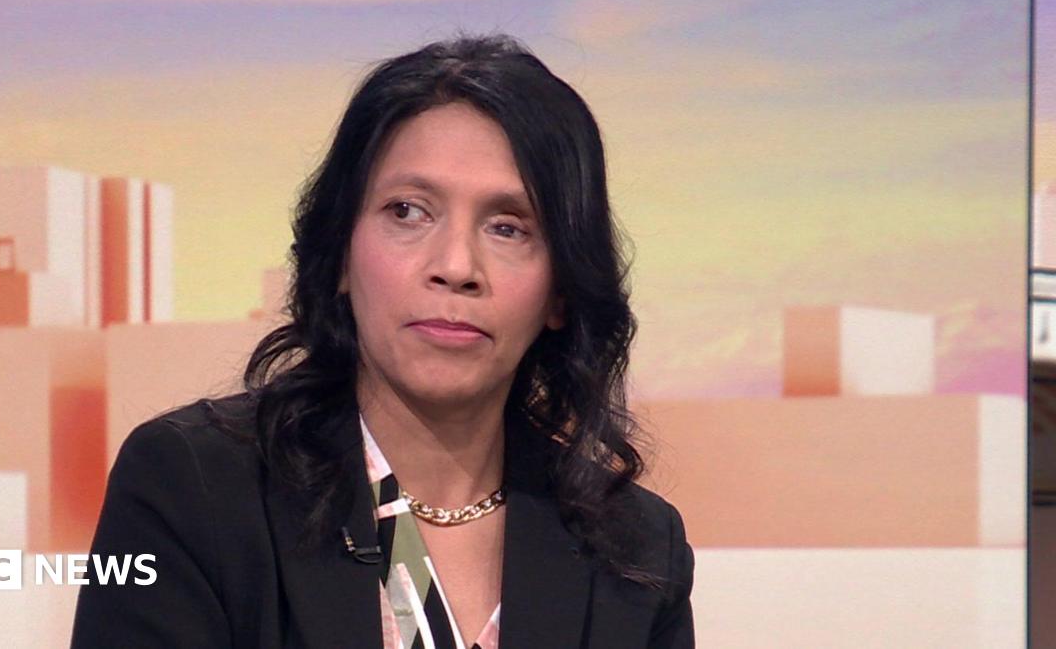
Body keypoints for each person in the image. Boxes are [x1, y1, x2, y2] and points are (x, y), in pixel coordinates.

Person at [70, 32, 694, 649]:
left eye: (508, 227)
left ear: (561, 289)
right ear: (340, 251)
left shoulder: (637, 548)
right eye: (408, 211)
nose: (455, 265)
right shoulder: (194, 489)